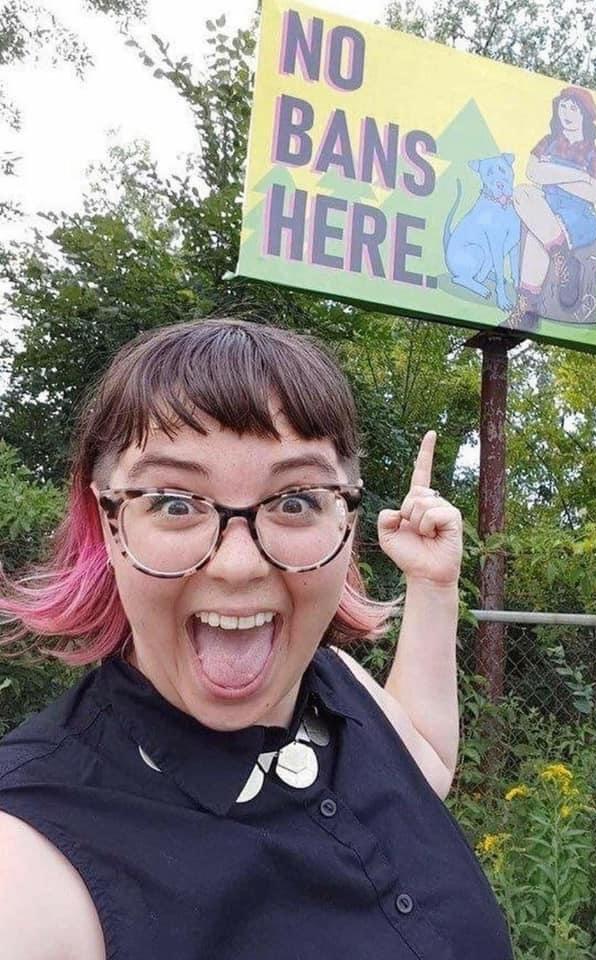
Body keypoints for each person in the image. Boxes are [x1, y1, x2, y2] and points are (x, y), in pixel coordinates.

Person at [0, 319, 514, 959]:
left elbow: (424, 766)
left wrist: (433, 588)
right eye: (175, 502)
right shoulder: (30, 853)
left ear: (346, 522)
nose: (238, 565)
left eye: (295, 501)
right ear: (108, 523)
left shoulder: (336, 679)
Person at [511, 85, 596, 321]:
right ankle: (563, 259)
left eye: (573, 109)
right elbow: (532, 173)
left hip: (579, 216)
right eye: (563, 107)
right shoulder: (548, 142)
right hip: (547, 205)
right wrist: (579, 175)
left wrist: (551, 173)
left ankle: (527, 309)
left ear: (585, 115)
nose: (566, 113)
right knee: (522, 192)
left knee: (537, 233)